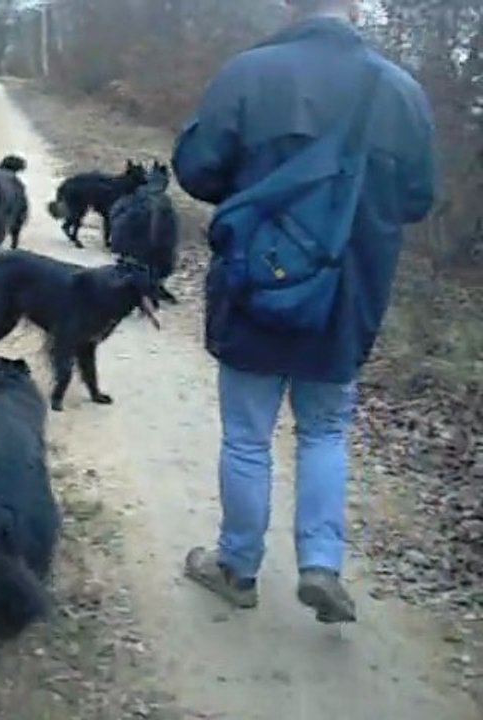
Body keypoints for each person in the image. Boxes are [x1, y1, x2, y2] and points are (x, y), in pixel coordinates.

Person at [171, 0, 436, 623]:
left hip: (255, 287)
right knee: (323, 432)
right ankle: (321, 564)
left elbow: (197, 171)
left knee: (246, 437)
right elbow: (420, 199)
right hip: (346, 298)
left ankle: (237, 567)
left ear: (295, 7)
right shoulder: (401, 92)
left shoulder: (249, 73)